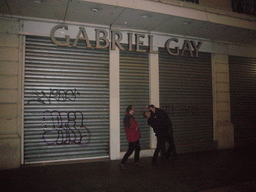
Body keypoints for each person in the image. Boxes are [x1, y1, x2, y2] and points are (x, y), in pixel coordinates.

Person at [120, 105, 143, 170]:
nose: (134, 110)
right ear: (130, 110)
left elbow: (132, 124)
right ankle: (122, 163)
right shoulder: (127, 117)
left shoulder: (130, 116)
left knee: (138, 148)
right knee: (130, 150)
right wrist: (135, 125)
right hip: (132, 136)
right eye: (133, 109)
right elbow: (128, 125)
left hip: (135, 136)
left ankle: (136, 162)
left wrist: (136, 125)